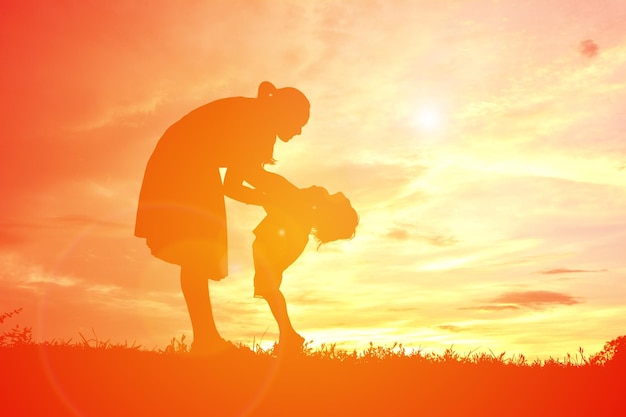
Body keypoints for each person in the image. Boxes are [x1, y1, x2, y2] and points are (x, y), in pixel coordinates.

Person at [135, 81, 310, 354]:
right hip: (183, 163)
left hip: (185, 162)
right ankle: (205, 340)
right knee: (197, 250)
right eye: (299, 123)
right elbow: (242, 183)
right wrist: (277, 199)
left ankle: (206, 338)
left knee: (197, 252)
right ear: (285, 113)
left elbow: (241, 181)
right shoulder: (258, 123)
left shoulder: (259, 119)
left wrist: (276, 198)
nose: (299, 131)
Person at [252, 186, 358, 353]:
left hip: (285, 236)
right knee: (268, 287)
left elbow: (286, 204)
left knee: (268, 286)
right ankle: (289, 335)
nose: (344, 197)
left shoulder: (319, 196)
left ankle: (289, 335)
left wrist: (263, 195)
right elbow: (286, 201)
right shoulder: (321, 197)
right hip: (289, 236)